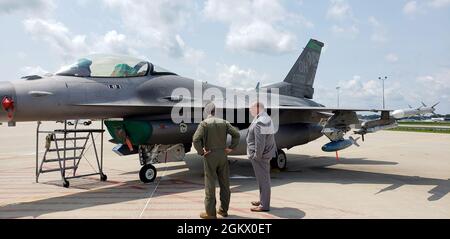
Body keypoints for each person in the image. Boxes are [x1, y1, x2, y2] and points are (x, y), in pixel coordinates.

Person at [192, 102, 240, 219]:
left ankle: (211, 213)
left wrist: (201, 152)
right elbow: (236, 134)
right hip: (223, 154)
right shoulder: (224, 122)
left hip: (210, 155)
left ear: (206, 112)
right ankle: (223, 210)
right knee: (225, 184)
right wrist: (231, 148)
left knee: (210, 185)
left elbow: (195, 139)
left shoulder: (204, 124)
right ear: (215, 111)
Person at [246, 102, 277, 212]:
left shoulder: (260, 121)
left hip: (260, 156)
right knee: (262, 179)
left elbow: (260, 142)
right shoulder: (263, 118)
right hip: (264, 154)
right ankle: (263, 200)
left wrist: (256, 156)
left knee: (263, 180)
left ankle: (264, 205)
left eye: (251, 108)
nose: (250, 110)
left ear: (258, 108)